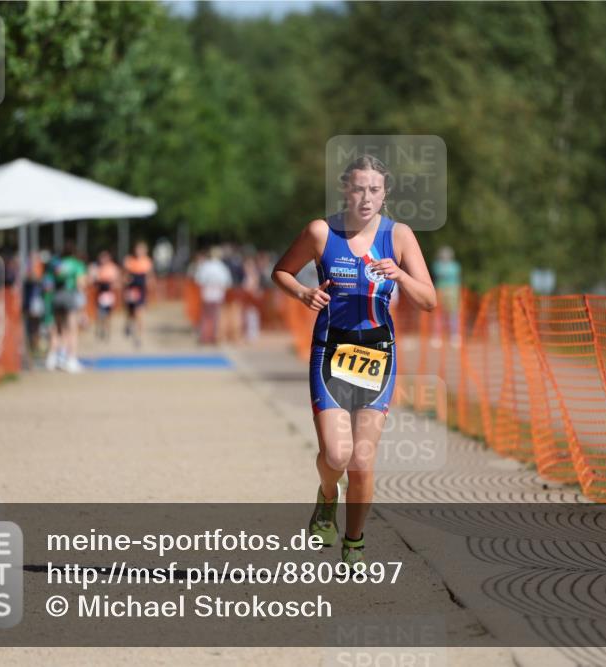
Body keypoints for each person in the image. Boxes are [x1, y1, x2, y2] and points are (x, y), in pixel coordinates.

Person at [272, 154, 436, 567]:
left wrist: (400, 276)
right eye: (358, 188)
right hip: (330, 350)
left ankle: (355, 542)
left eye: (374, 190)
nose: (366, 197)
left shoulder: (398, 236)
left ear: (385, 195)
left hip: (378, 355)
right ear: (345, 189)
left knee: (362, 460)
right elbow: (281, 272)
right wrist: (303, 294)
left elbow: (430, 300)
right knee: (336, 456)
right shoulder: (320, 231)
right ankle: (327, 496)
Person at [43, 241, 88, 373]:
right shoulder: (77, 264)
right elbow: (81, 284)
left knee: (58, 328)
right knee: (72, 329)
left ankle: (53, 358)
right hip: (70, 296)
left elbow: (48, 281)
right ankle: (71, 359)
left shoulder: (57, 264)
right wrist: (82, 305)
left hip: (55, 296)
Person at [194, 247, 233, 345]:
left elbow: (198, 280)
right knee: (216, 317)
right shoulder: (222, 267)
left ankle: (204, 337)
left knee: (206, 317)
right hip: (217, 295)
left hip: (207, 294)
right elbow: (227, 282)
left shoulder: (205, 266)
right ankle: (215, 337)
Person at [123, 241, 154, 348]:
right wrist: (127, 281)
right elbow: (125, 276)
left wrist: (149, 290)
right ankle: (128, 325)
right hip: (131, 290)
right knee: (130, 312)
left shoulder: (147, 262)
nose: (139, 251)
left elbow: (150, 278)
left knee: (139, 314)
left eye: (141, 249)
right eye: (137, 249)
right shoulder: (129, 261)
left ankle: (139, 338)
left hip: (141, 291)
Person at [432, 246, 461, 342]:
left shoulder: (455, 266)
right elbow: (439, 273)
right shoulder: (437, 265)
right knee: (439, 314)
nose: (445, 257)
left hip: (452, 291)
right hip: (440, 290)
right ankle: (438, 335)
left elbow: (450, 274)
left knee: (453, 314)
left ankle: (454, 335)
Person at [92, 250, 121, 341]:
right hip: (99, 294)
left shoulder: (113, 268)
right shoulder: (96, 267)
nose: (103, 259)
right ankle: (99, 330)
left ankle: (107, 332)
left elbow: (117, 282)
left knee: (108, 315)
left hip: (109, 294)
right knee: (99, 314)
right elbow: (93, 281)